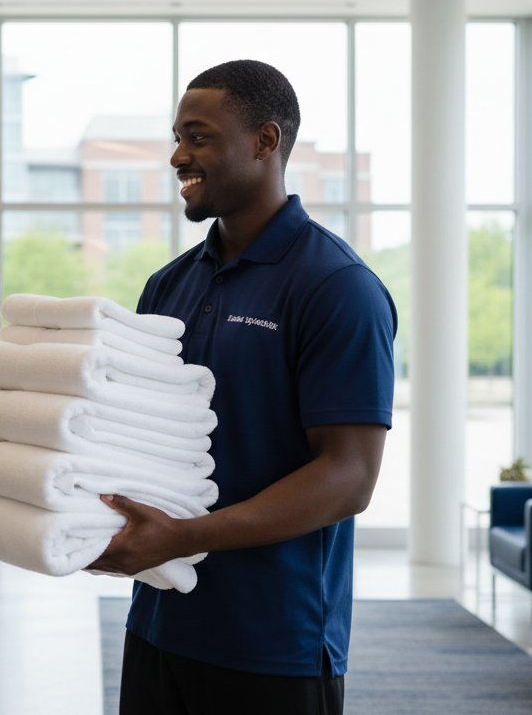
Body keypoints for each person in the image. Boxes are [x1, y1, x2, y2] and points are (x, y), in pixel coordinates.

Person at [89, 60, 396, 715]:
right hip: (160, 621)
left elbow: (349, 476)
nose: (178, 156)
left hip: (273, 645)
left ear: (265, 141)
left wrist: (185, 533)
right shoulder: (168, 285)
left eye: (198, 137)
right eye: (177, 136)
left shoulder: (337, 287)